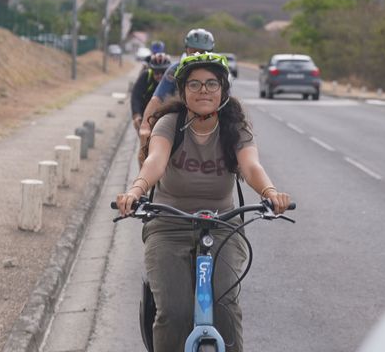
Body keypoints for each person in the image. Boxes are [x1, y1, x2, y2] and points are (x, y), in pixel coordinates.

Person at [116, 52, 291, 352]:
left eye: (212, 84)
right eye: (194, 85)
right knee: (174, 312)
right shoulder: (170, 122)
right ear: (182, 91)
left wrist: (270, 192)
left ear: (223, 89)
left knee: (225, 308)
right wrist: (136, 191)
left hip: (223, 224)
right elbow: (155, 161)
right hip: (169, 224)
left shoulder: (234, 126)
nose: (204, 91)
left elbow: (250, 167)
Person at [138, 28, 215, 148]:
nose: (198, 55)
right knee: (146, 152)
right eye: (193, 51)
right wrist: (145, 126)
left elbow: (228, 103)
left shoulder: (220, 72)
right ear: (186, 49)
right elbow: (157, 99)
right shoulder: (175, 70)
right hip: (178, 122)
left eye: (203, 51)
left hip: (209, 124)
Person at [131, 53, 171, 133]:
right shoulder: (145, 76)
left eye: (163, 72)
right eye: (156, 72)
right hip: (146, 114)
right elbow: (136, 96)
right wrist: (137, 115)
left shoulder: (172, 79)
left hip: (166, 116)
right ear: (152, 70)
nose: (160, 75)